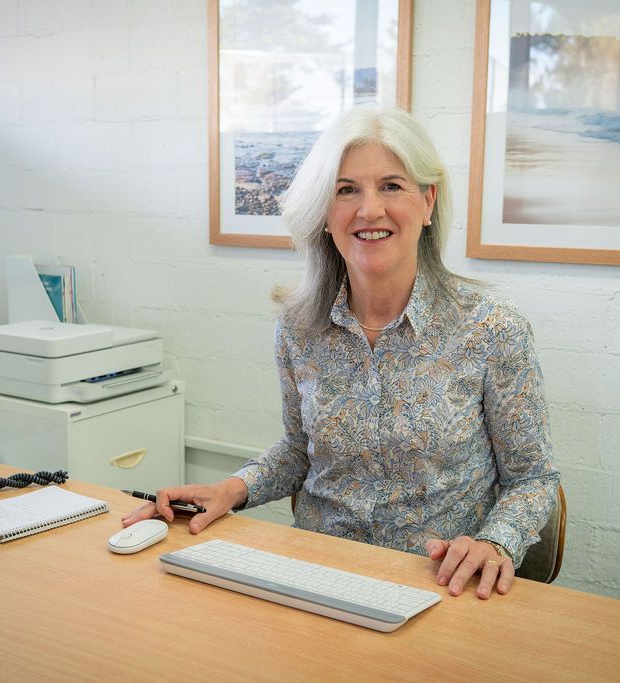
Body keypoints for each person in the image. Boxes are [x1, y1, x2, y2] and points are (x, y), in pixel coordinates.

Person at [123, 106, 559, 600]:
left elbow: (533, 478)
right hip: (315, 576)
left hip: (438, 587)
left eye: (391, 186)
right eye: (345, 190)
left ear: (427, 201)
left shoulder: (491, 327)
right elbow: (299, 451)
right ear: (325, 215)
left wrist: (494, 541)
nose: (369, 210)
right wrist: (232, 489)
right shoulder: (298, 326)